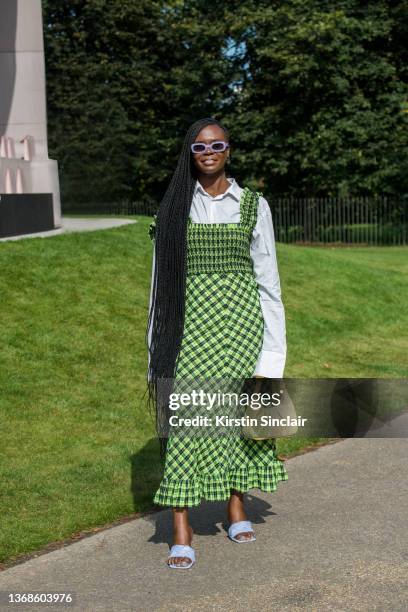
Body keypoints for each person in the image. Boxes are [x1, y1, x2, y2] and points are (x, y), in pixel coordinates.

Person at [146, 117, 288, 569]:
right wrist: (156, 351)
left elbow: (269, 283)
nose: (209, 151)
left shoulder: (253, 206)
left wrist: (272, 357)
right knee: (188, 420)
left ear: (229, 150)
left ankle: (235, 507)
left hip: (243, 325)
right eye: (199, 146)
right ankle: (181, 527)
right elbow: (159, 287)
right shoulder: (172, 209)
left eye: (217, 144)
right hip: (191, 327)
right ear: (189, 152)